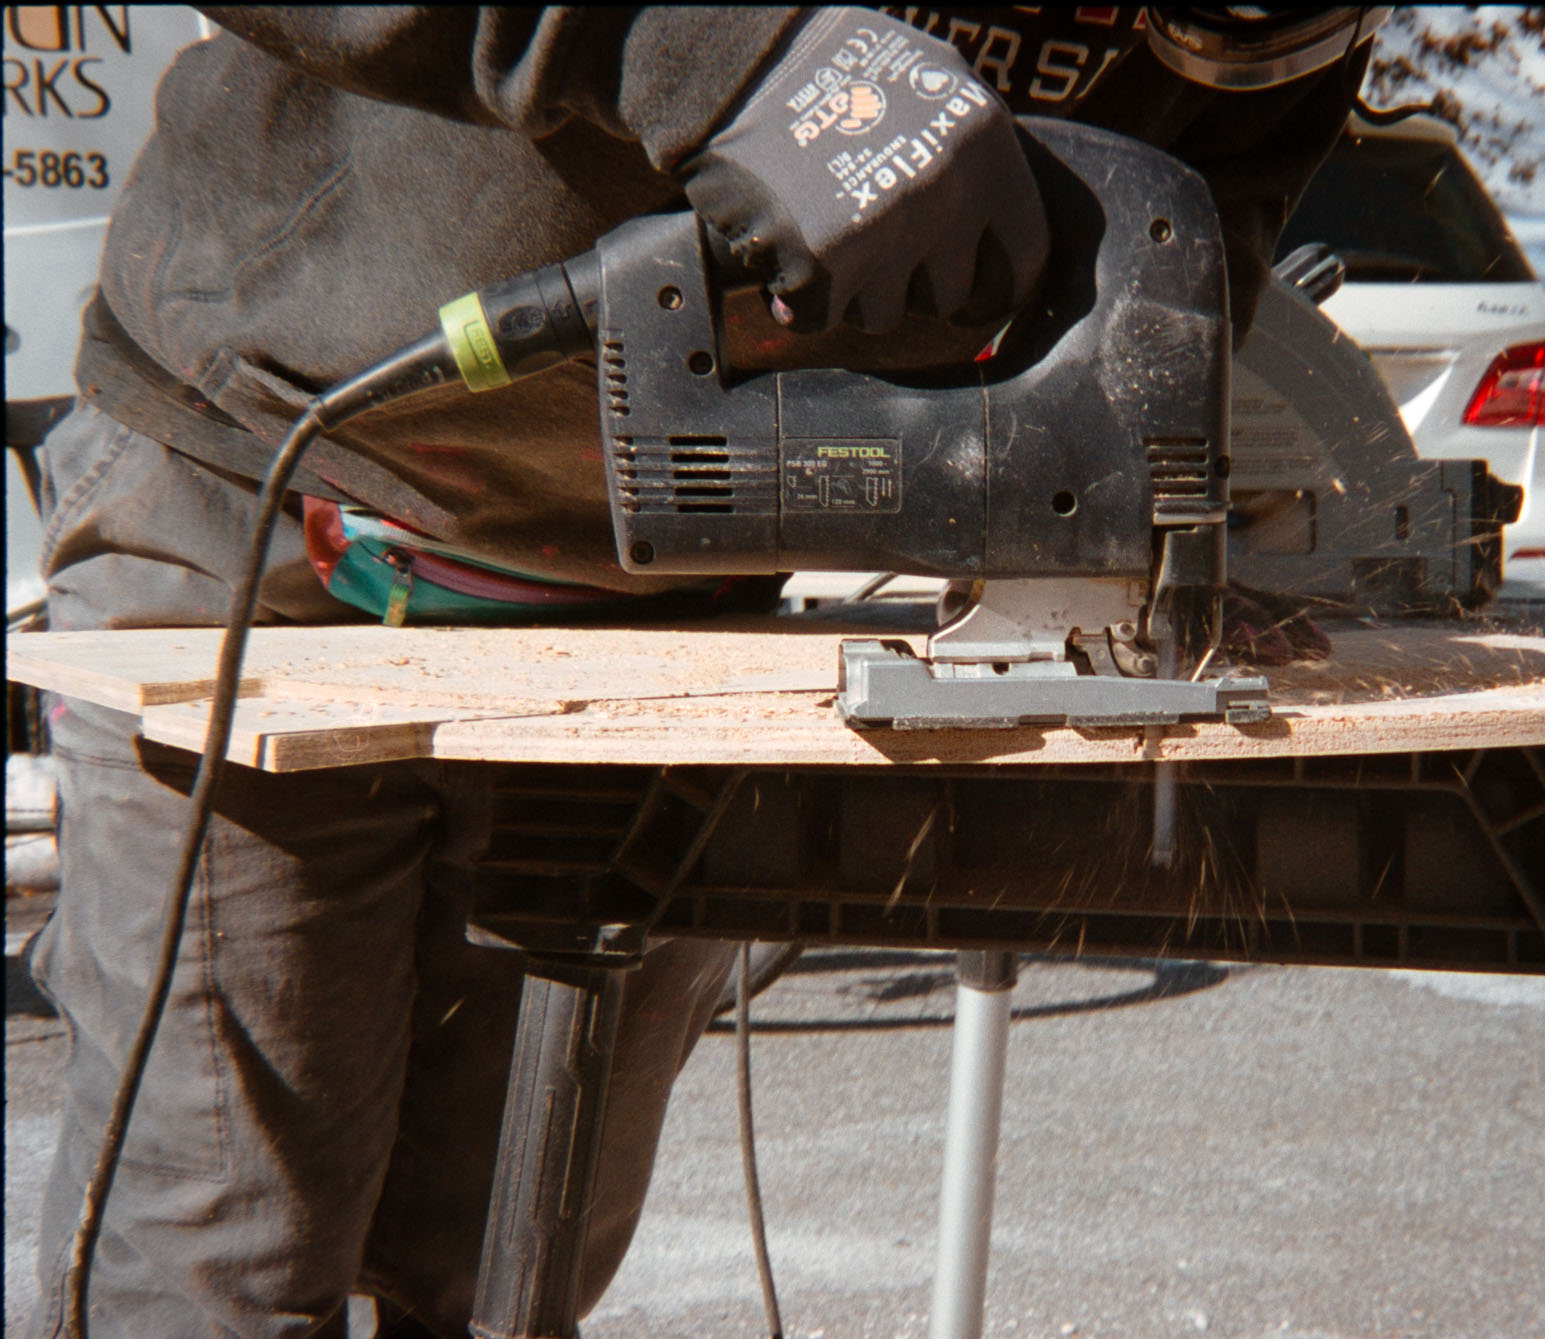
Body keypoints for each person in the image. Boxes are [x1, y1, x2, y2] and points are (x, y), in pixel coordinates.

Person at [26, 7, 1383, 1335]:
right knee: (220, 1270)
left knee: (509, 1264)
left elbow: (1167, 256)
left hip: (675, 600)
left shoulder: (1272, 27)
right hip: (270, 499)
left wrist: (1144, 518)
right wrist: (724, 54)